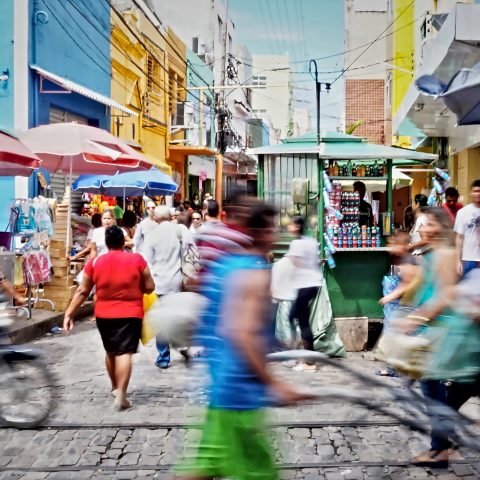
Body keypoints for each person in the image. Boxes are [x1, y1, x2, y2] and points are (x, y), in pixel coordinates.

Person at [178, 198, 310, 480]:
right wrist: (275, 384)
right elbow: (241, 333)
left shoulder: (227, 266)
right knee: (260, 474)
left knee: (204, 468)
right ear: (263, 233)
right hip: (240, 392)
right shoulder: (253, 273)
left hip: (221, 386)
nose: (276, 235)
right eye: (273, 229)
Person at [405, 208, 479, 468]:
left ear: (442, 226)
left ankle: (441, 448)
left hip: (446, 337)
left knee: (438, 396)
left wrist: (418, 318)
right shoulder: (434, 255)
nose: (424, 228)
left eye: (429, 223)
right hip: (443, 337)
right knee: (439, 396)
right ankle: (441, 447)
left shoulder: (446, 255)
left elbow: (446, 295)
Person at [63, 226, 155, 411]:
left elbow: (82, 291)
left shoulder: (95, 263)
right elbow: (150, 286)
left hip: (104, 314)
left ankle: (114, 387)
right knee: (125, 353)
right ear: (123, 241)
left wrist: (69, 313)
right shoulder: (137, 260)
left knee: (111, 350)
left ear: (106, 242)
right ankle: (122, 393)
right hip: (131, 313)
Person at [143, 206, 183, 369]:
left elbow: (146, 261)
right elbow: (190, 252)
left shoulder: (152, 235)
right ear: (171, 216)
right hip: (177, 281)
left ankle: (163, 357)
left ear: (156, 218)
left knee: (160, 320)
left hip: (158, 283)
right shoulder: (180, 231)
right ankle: (182, 344)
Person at [286, 216, 323, 372]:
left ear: (297, 227)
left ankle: (310, 362)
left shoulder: (296, 244)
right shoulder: (311, 242)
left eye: (290, 225)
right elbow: (317, 260)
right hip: (313, 284)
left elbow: (295, 263)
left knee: (303, 321)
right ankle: (300, 354)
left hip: (304, 285)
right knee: (293, 315)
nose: (288, 227)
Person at [454, 179, 480, 277]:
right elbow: (459, 238)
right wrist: (457, 261)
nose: (477, 194)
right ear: (471, 192)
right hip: (468, 259)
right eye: (475, 191)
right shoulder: (463, 212)